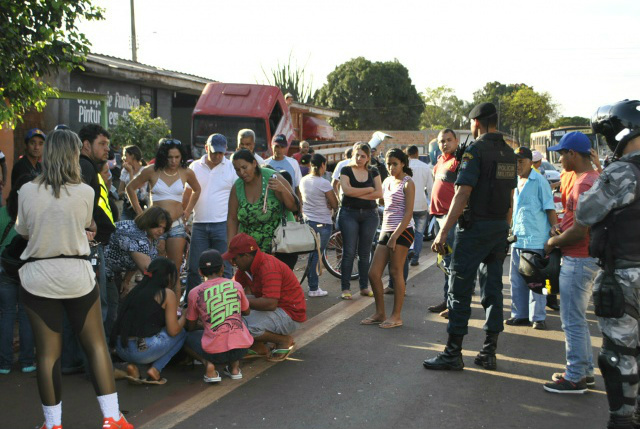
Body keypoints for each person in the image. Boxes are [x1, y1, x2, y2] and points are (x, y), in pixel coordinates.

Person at [16, 129, 132, 429]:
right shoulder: (85, 191)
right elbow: (86, 225)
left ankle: (53, 424)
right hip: (77, 275)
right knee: (95, 345)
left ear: (46, 154)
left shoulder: (27, 191)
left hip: (38, 276)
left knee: (47, 354)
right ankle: (112, 417)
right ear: (73, 155)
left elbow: (24, 231)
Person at [423, 102, 516, 372]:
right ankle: (489, 352)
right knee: (493, 290)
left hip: (474, 230)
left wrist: (442, 231)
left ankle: (453, 353)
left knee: (459, 290)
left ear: (476, 123)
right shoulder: (509, 152)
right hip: (498, 228)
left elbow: (462, 193)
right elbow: (510, 198)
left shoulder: (475, 150)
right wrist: (504, 229)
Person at [568, 100, 640, 429]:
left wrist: (607, 170)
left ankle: (623, 420)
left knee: (619, 354)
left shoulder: (620, 171)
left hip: (625, 277)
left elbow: (585, 213)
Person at [542, 131, 599, 394]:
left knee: (572, 321)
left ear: (573, 154)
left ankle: (575, 376)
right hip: (582, 256)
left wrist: (554, 241)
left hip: (578, 258)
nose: (560, 159)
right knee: (576, 319)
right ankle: (584, 372)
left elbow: (580, 230)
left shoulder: (584, 184)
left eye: (562, 154)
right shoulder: (589, 179)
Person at [126, 138, 201, 297]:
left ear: (182, 157)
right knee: (155, 270)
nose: (173, 161)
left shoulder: (186, 172)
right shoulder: (151, 170)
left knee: (174, 271)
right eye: (170, 157)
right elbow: (130, 188)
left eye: (177, 157)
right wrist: (141, 215)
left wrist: (187, 211)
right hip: (155, 227)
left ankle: (174, 311)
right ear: (163, 156)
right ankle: (156, 305)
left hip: (176, 225)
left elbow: (197, 190)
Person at [223, 233, 306, 361]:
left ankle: (283, 340)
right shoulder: (246, 266)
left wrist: (240, 301)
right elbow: (231, 289)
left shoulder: (269, 267)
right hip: (277, 308)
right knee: (233, 314)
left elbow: (270, 303)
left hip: (290, 314)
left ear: (245, 256)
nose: (232, 262)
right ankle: (259, 346)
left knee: (240, 326)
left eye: (234, 259)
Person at [362, 149, 415, 328]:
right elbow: (383, 202)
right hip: (386, 229)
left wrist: (395, 236)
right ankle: (380, 312)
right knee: (374, 273)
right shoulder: (387, 181)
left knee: (395, 272)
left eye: (395, 164)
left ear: (403, 164)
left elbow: (408, 213)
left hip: (403, 230)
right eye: (388, 164)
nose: (391, 167)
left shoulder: (408, 183)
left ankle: (396, 316)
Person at [112, 257, 186, 385]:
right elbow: (173, 331)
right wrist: (185, 315)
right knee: (181, 332)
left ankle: (133, 367)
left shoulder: (135, 290)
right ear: (168, 277)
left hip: (121, 348)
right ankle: (156, 370)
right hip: (142, 351)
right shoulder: (166, 293)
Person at [103, 206, 172, 340]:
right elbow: (147, 268)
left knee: (116, 308)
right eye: (158, 226)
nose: (161, 231)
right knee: (110, 311)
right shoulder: (134, 233)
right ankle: (108, 347)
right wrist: (167, 296)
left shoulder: (150, 235)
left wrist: (127, 280)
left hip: (115, 273)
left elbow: (135, 260)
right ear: (148, 221)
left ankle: (111, 344)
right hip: (103, 269)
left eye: (164, 228)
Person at [507, 147, 557, 330]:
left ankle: (538, 316)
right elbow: (512, 209)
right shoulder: (515, 181)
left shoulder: (540, 181)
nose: (518, 165)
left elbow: (550, 209)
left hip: (536, 240)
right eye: (516, 161)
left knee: (537, 281)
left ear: (530, 161)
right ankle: (519, 314)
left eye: (521, 161)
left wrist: (554, 234)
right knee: (517, 280)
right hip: (518, 239)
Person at [185, 249, 253, 383]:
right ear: (223, 268)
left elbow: (191, 326)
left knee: (185, 337)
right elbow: (246, 312)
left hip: (215, 354)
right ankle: (234, 368)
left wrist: (204, 322)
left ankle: (209, 366)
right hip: (241, 349)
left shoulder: (194, 293)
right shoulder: (236, 285)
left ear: (200, 271)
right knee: (238, 324)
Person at [227, 149, 299, 269]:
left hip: (280, 248)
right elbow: (232, 219)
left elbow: (294, 207)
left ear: (254, 163)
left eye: (245, 167)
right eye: (237, 170)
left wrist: (282, 190)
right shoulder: (237, 187)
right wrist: (231, 247)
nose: (242, 172)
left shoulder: (272, 177)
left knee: (274, 285)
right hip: (251, 253)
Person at [184, 134, 237, 296]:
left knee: (225, 267)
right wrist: (184, 217)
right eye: (214, 152)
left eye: (220, 153)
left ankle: (225, 302)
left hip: (222, 225)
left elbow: (237, 196)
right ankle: (190, 303)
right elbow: (187, 193)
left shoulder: (231, 168)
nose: (217, 156)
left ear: (226, 151)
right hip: (199, 224)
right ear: (206, 148)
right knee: (193, 267)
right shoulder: (194, 167)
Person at [0, 175, 35, 375]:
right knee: (25, 314)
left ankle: (3, 364)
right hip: (26, 269)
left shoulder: (2, 213)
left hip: (4, 268)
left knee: (6, 315)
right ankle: (27, 362)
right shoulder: (32, 215)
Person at [338, 142, 383, 299]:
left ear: (368, 157)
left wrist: (357, 193)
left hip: (370, 215)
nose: (359, 158)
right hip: (349, 214)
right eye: (357, 155)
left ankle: (364, 286)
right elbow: (346, 190)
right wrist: (368, 190)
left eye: (363, 156)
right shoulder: (346, 170)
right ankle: (345, 288)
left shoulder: (374, 171)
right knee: (349, 252)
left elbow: (379, 193)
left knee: (365, 253)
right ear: (353, 154)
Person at [427, 129, 460, 317]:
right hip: (439, 217)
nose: (445, 143)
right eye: (442, 141)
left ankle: (454, 305)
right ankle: (447, 300)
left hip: (451, 219)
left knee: (452, 263)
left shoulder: (459, 161)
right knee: (445, 261)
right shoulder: (440, 161)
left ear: (456, 140)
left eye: (449, 140)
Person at [299, 154, 339, 297]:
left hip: (308, 221)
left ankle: (312, 285)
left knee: (312, 254)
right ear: (323, 165)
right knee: (317, 255)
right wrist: (330, 203)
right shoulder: (323, 183)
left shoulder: (303, 180)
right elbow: (335, 203)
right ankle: (313, 288)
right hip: (323, 223)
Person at [406, 145, 433, 266]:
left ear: (407, 154)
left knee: (406, 231)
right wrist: (431, 204)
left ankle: (406, 254)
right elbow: (431, 188)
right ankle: (415, 258)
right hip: (421, 204)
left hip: (406, 205)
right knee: (419, 233)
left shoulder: (405, 167)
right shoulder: (426, 167)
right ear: (417, 153)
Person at [265, 134, 303, 206]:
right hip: (271, 206)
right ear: (271, 146)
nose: (279, 150)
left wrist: (299, 206)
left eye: (282, 147)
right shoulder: (265, 164)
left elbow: (298, 186)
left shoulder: (293, 163)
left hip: (289, 204)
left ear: (286, 148)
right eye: (277, 147)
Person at [118, 145, 148, 221]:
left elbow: (133, 188)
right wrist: (126, 193)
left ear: (133, 156)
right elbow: (120, 192)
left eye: (125, 155)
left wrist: (131, 173)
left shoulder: (144, 171)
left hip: (141, 205)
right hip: (127, 207)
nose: (123, 158)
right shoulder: (125, 171)